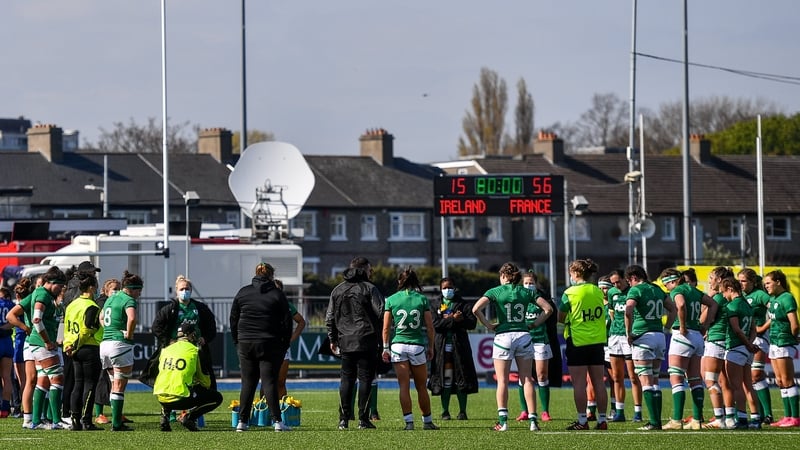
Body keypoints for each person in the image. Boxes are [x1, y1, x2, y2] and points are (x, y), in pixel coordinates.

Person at [472, 262, 541, 432]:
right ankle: (533, 421)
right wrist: (532, 324)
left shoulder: (496, 291)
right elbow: (548, 309)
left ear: (503, 276)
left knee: (502, 380)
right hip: (523, 335)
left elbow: (475, 309)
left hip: (503, 336)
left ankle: (503, 422)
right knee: (526, 379)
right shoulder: (525, 291)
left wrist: (488, 325)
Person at [230, 262, 293, 432]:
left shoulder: (243, 292)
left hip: (246, 342)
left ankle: (242, 422)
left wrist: (237, 341)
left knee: (247, 383)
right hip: (269, 343)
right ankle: (277, 422)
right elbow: (287, 323)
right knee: (269, 382)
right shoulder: (277, 294)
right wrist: (284, 344)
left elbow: (233, 319)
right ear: (271, 276)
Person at [326, 257, 385, 430]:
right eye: (369, 269)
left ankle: (343, 419)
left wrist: (332, 338)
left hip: (345, 341)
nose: (371, 272)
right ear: (363, 269)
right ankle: (363, 419)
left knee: (346, 379)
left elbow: (329, 317)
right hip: (367, 339)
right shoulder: (370, 288)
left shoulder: (337, 290)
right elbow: (381, 312)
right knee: (366, 378)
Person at [659, 267, 717, 430]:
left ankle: (677, 420)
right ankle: (697, 420)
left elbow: (681, 304)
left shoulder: (677, 290)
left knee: (676, 377)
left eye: (666, 285)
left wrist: (683, 326)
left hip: (682, 336)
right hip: (697, 337)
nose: (666, 289)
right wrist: (705, 325)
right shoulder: (694, 290)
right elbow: (713, 304)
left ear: (671, 281)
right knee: (694, 379)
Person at [381, 267, 439, 431]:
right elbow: (430, 327)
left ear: (400, 281)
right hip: (417, 345)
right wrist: (431, 347)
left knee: (403, 386)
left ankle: (409, 423)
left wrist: (385, 348)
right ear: (415, 282)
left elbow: (385, 328)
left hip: (398, 345)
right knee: (421, 386)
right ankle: (427, 422)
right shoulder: (421, 299)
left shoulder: (391, 299)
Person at [624, 264, 676, 431]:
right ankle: (657, 421)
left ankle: (654, 422)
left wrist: (628, 332)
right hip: (659, 336)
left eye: (628, 281)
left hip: (643, 337)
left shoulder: (635, 290)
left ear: (633, 278)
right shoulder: (656, 289)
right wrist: (667, 327)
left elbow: (628, 309)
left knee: (645, 381)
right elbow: (673, 308)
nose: (629, 284)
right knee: (655, 381)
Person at [558, 259, 608, 431]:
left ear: (575, 273)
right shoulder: (598, 291)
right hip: (597, 342)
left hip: (578, 341)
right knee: (599, 383)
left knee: (579, 384)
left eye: (570, 273)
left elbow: (561, 317)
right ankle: (602, 420)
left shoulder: (570, 292)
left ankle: (582, 420)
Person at [152, 275, 218, 393]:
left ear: (191, 290)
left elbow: (212, 327)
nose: (184, 291)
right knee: (174, 377)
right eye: (181, 289)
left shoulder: (200, 308)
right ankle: (169, 406)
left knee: (200, 377)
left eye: (187, 289)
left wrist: (205, 338)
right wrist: (169, 341)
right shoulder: (169, 309)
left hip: (196, 349)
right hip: (175, 350)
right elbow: (156, 327)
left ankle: (197, 404)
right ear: (176, 291)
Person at [154, 322, 223, 432]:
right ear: (191, 335)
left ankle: (165, 416)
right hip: (181, 398)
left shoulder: (166, 349)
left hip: (160, 396)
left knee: (170, 386)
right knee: (217, 398)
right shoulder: (195, 351)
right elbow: (205, 382)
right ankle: (189, 418)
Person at [428, 276, 478, 421]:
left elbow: (472, 323)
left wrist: (459, 320)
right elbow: (436, 324)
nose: (447, 290)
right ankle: (445, 411)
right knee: (445, 379)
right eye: (444, 288)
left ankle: (463, 411)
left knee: (462, 377)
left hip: (459, 346)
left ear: (454, 288)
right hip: (441, 347)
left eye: (450, 287)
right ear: (440, 289)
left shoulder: (463, 304)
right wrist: (453, 320)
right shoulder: (434, 304)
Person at [24, 267, 68, 430]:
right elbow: (37, 319)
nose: (60, 290)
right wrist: (48, 341)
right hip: (42, 343)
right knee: (57, 378)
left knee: (43, 380)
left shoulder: (44, 294)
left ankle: (36, 421)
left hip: (38, 343)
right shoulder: (43, 294)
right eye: (60, 286)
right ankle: (56, 421)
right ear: (52, 283)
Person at [99, 270, 142, 432]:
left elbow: (101, 317)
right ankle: (116, 423)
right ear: (133, 289)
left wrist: (110, 329)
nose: (139, 294)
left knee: (113, 383)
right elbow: (132, 318)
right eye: (139, 290)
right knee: (119, 385)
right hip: (119, 345)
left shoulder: (111, 298)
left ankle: (116, 420)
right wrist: (128, 334)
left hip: (105, 344)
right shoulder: (128, 299)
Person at [59, 261, 101, 426]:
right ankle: (86, 420)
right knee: (90, 384)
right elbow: (86, 330)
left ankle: (74, 419)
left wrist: (69, 346)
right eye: (95, 285)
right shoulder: (91, 305)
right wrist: (77, 344)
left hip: (72, 348)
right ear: (90, 287)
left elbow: (68, 326)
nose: (97, 287)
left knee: (77, 384)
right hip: (87, 346)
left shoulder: (71, 305)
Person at [718, 276, 759, 429]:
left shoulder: (732, 306)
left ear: (730, 289)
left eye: (723, 292)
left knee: (736, 386)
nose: (723, 295)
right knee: (748, 385)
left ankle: (741, 419)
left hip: (736, 348)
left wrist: (747, 344)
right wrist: (751, 344)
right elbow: (753, 329)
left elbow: (736, 329)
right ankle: (756, 419)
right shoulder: (747, 306)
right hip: (747, 349)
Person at [763, 270, 800, 427]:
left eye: (768, 283)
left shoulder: (787, 298)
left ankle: (795, 417)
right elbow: (772, 320)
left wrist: (793, 337)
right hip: (774, 342)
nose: (766, 286)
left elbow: (794, 323)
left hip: (784, 342)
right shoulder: (773, 299)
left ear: (778, 282)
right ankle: (786, 416)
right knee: (779, 381)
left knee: (787, 380)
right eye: (765, 284)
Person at [516, 271, 554, 423]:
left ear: (536, 284)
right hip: (523, 341)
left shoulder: (542, 300)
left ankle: (545, 411)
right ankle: (524, 411)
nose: (528, 285)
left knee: (542, 375)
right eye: (526, 283)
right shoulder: (519, 300)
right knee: (524, 376)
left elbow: (551, 315)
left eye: (531, 283)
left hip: (540, 341)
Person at [606, 269, 642, 423]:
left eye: (618, 281)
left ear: (625, 279)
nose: (615, 285)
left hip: (629, 337)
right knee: (617, 377)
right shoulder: (612, 293)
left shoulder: (634, 291)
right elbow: (612, 312)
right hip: (615, 337)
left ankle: (638, 412)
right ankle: (619, 412)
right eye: (613, 283)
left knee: (633, 376)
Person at [738, 267, 774, 424]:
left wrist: (763, 328)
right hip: (744, 339)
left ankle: (768, 414)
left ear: (753, 282)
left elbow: (777, 310)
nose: (741, 284)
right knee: (748, 378)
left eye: (744, 281)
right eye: (738, 281)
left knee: (756, 375)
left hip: (759, 338)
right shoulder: (740, 296)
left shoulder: (759, 295)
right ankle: (757, 413)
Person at [701, 266, 733, 429]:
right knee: (724, 381)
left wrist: (709, 299)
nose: (709, 281)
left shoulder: (718, 298)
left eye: (711, 278)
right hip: (722, 340)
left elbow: (703, 319)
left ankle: (719, 418)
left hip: (716, 340)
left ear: (719, 280)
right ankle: (730, 418)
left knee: (710, 380)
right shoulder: (725, 297)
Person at [5, 277, 37, 428]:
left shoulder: (19, 306)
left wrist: (23, 327)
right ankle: (31, 411)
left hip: (20, 343)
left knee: (23, 381)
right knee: (32, 380)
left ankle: (24, 411)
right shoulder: (31, 304)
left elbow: (10, 321)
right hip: (30, 342)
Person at [93, 278, 120, 425]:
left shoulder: (117, 301)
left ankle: (117, 412)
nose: (116, 291)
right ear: (106, 290)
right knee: (102, 380)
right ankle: (99, 413)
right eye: (114, 289)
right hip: (101, 343)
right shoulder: (102, 302)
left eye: (118, 288)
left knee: (117, 379)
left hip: (113, 343)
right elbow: (101, 319)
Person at [273, 279, 306, 399]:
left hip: (283, 347)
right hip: (266, 346)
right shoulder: (263, 304)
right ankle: (264, 412)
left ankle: (282, 412)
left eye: (277, 290)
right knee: (268, 382)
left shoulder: (287, 305)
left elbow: (301, 321)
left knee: (281, 382)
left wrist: (292, 338)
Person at [0, 287, 16, 417]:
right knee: (6, 377)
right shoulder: (11, 304)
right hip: (7, 342)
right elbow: (14, 321)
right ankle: (5, 408)